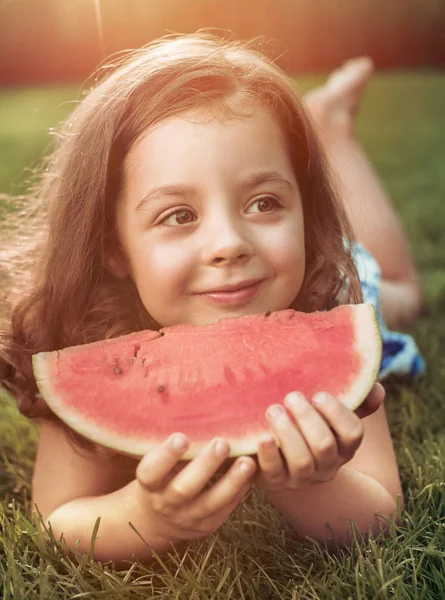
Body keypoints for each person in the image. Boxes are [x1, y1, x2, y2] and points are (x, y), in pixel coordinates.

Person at [0, 34, 425, 564]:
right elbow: (57, 515)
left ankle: (333, 129)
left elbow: (380, 509)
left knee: (399, 292)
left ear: (305, 210)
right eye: (179, 215)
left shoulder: (330, 302)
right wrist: (145, 517)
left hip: (333, 271)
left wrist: (309, 483)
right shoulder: (85, 338)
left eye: (265, 202)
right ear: (113, 249)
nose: (228, 244)